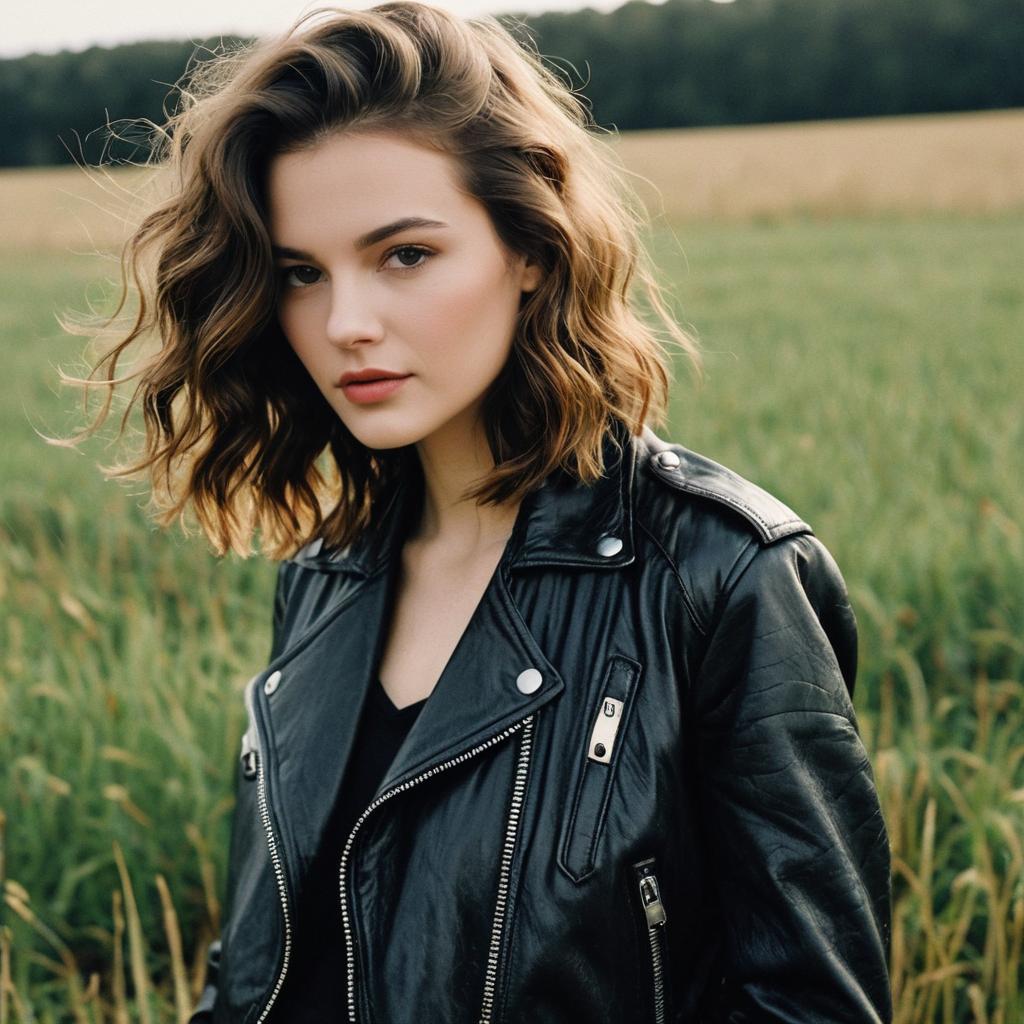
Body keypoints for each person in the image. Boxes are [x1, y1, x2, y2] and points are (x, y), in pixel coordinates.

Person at [60, 2, 892, 1020]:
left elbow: (812, 1005)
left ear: (532, 246)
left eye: (404, 254)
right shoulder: (327, 572)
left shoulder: (724, 575)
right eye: (300, 274)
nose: (345, 324)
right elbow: (265, 965)